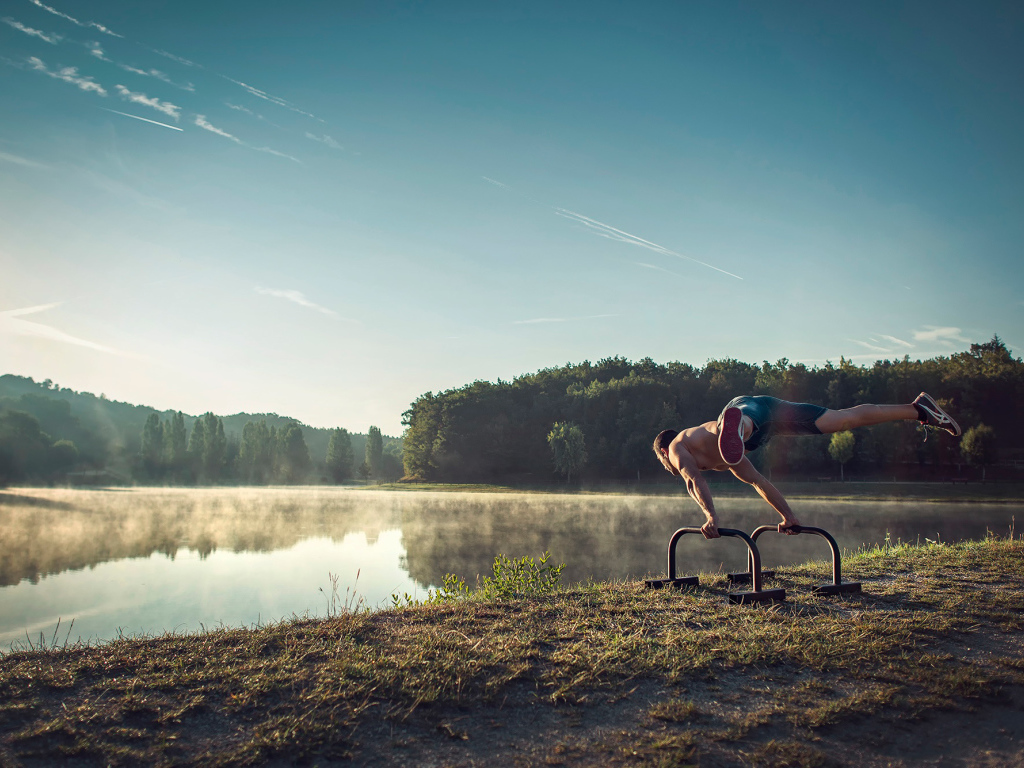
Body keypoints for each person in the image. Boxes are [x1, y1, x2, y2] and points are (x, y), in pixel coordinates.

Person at [652, 393, 960, 539]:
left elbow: (692, 481)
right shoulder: (725, 458)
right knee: (843, 419)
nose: (670, 465)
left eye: (663, 460)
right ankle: (918, 410)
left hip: (743, 410)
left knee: (735, 425)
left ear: (664, 451)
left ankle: (739, 426)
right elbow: (759, 482)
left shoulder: (678, 445)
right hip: (771, 418)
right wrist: (788, 516)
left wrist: (710, 517)